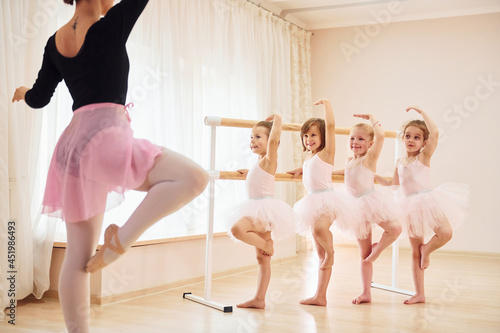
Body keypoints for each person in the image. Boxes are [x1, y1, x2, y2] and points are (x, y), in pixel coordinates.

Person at [12, 0, 208, 331]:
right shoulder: (111, 25)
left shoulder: (54, 42)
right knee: (194, 178)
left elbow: (39, 98)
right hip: (104, 138)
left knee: (78, 255)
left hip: (71, 148)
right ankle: (120, 242)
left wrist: (24, 92)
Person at [375, 106, 468, 304]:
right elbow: (394, 185)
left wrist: (422, 112)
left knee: (445, 233)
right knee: (414, 251)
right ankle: (419, 293)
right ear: (403, 139)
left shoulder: (423, 157)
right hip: (408, 207)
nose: (411, 140)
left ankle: (428, 250)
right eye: (407, 136)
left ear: (424, 143)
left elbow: (435, 133)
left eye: (416, 137)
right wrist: (376, 178)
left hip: (427, 201)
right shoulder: (400, 161)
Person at [288, 99, 363, 306]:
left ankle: (332, 251)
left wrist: (327, 105)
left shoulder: (326, 153)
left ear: (323, 137)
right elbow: (313, 169)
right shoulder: (309, 158)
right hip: (311, 203)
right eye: (305, 135)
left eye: (313, 134)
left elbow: (330, 126)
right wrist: (301, 169)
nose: (308, 139)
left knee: (322, 230)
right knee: (318, 252)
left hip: (328, 200)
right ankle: (320, 296)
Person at [229, 114, 295, 309]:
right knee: (262, 260)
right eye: (251, 137)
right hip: (262, 210)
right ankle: (259, 299)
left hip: (262, 209)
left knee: (237, 230)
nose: (253, 140)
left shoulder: (268, 159)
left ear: (270, 141)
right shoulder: (259, 163)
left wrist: (278, 120)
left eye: (259, 137)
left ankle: (267, 244)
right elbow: (261, 179)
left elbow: (274, 140)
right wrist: (249, 174)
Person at [334, 114, 402, 304]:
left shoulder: (370, 158)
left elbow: (380, 135)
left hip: (370, 201)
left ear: (370, 144)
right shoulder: (349, 160)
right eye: (352, 138)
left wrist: (372, 118)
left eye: (361, 139)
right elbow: (345, 171)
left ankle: (377, 251)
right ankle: (366, 292)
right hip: (354, 208)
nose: (355, 142)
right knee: (363, 255)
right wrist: (325, 172)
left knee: (395, 228)